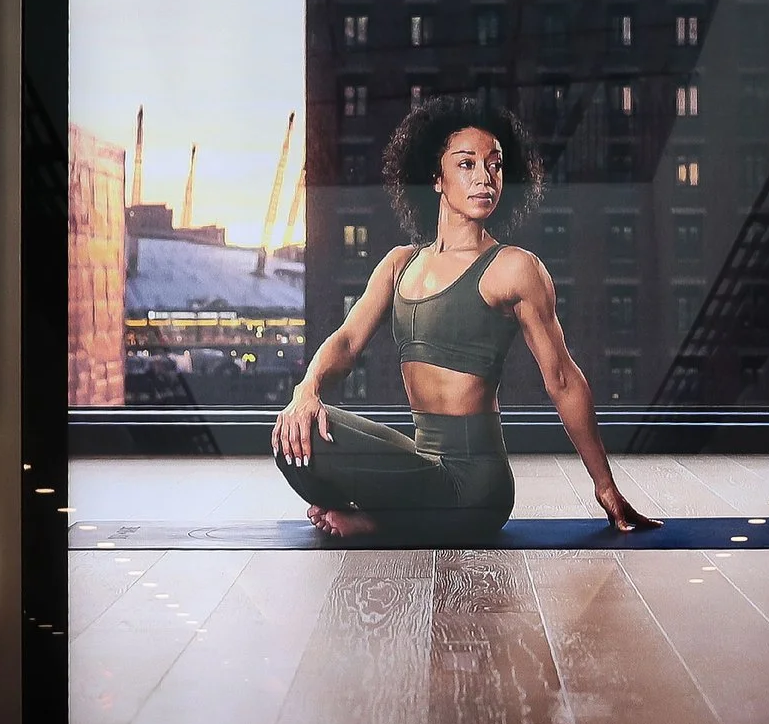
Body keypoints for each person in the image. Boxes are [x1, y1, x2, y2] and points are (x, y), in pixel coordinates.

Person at [273, 95, 658, 542]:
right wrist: (306, 390)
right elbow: (346, 342)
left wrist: (605, 488)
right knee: (291, 435)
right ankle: (392, 514)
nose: (485, 178)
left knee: (311, 442)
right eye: (467, 164)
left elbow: (563, 380)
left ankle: (381, 521)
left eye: (494, 165)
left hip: (476, 486)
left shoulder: (513, 268)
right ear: (436, 177)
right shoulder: (400, 264)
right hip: (422, 462)